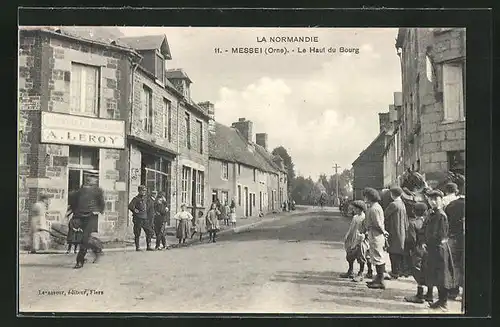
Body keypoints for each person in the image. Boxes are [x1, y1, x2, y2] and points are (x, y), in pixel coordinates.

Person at [424, 189, 457, 311]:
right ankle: (440, 301)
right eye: (430, 199)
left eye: (435, 199)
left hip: (439, 249)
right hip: (433, 249)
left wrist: (428, 242)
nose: (433, 202)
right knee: (436, 275)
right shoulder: (432, 213)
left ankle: (443, 303)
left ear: (441, 200)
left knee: (442, 276)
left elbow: (441, 235)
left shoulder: (441, 215)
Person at [70, 175, 105, 269]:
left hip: (90, 217)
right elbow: (72, 201)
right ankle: (96, 249)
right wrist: (74, 212)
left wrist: (98, 210)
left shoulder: (97, 191)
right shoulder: (80, 191)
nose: (91, 181)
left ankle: (79, 261)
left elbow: (101, 202)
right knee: (78, 238)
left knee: (84, 239)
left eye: (93, 179)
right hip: (79, 217)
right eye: (89, 179)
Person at [404, 202, 434, 303]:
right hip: (428, 249)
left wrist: (410, 250)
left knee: (417, 271)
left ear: (413, 211)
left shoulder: (413, 223)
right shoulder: (428, 220)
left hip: (417, 249)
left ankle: (419, 295)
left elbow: (411, 239)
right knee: (428, 270)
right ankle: (429, 294)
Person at [363, 187, 389, 290]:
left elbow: (378, 224)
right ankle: (378, 278)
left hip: (376, 234)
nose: (364, 198)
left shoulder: (374, 208)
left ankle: (380, 280)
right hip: (374, 234)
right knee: (375, 256)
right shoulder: (373, 207)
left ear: (370, 197)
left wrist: (383, 232)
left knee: (378, 257)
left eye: (365, 196)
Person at [384, 187, 409, 279]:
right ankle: (398, 271)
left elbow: (385, 215)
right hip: (402, 231)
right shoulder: (402, 204)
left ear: (392, 194)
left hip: (394, 231)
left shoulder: (393, 204)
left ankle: (394, 272)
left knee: (393, 252)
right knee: (398, 252)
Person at [445, 189, 465, 301]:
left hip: (453, 238)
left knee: (454, 265)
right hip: (465, 239)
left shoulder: (451, 205)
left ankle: (453, 291)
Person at [340, 200, 368, 280]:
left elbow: (365, 229)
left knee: (360, 255)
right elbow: (351, 227)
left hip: (359, 238)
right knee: (349, 254)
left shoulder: (364, 217)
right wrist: (347, 235)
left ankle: (361, 272)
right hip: (352, 237)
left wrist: (362, 237)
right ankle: (350, 271)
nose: (353, 210)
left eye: (355, 209)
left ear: (360, 209)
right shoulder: (355, 217)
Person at [128, 185, 154, 251]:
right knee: (137, 233)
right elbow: (130, 206)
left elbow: (150, 206)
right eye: (142, 190)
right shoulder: (136, 199)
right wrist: (134, 210)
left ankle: (148, 246)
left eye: (145, 190)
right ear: (139, 191)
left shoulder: (146, 199)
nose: (144, 192)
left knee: (149, 232)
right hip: (138, 219)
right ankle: (137, 247)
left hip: (145, 218)